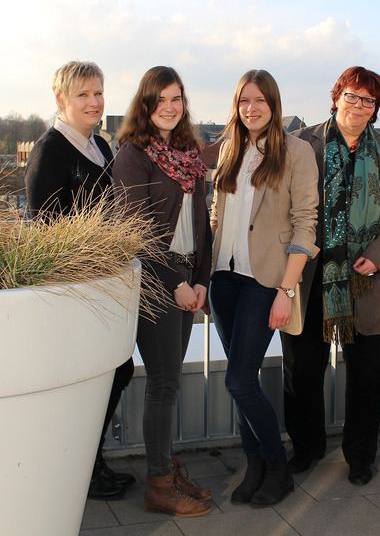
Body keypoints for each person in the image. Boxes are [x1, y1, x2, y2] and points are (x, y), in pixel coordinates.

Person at [280, 66, 380, 486]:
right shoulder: (303, 143)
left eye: (368, 100)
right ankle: (306, 448)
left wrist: (378, 257)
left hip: (369, 281)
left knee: (367, 376)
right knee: (301, 372)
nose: (358, 106)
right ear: (336, 96)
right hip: (311, 278)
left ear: (376, 108)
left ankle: (360, 455)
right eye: (352, 96)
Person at [25, 60, 135, 500]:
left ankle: (89, 462)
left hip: (105, 285)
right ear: (61, 101)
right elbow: (46, 232)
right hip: (75, 292)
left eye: (99, 93)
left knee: (116, 370)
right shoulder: (50, 151)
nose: (94, 102)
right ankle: (81, 468)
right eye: (83, 95)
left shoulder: (101, 147)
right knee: (100, 374)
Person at [209, 69, 319, 506]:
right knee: (244, 379)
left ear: (273, 104)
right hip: (224, 280)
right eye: (243, 101)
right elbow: (218, 217)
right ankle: (253, 464)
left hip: (265, 281)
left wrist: (286, 291)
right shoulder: (229, 149)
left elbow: (306, 224)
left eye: (259, 100)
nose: (250, 109)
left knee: (238, 380)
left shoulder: (296, 151)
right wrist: (206, 277)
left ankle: (276, 465)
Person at [113, 66, 212, 517]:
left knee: (168, 381)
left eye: (177, 99)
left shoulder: (189, 153)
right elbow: (138, 232)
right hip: (158, 283)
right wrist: (176, 284)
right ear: (146, 105)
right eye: (161, 100)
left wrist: (202, 281)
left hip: (189, 279)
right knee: (163, 382)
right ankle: (159, 484)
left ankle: (165, 468)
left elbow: (203, 225)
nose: (171, 108)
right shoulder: (133, 156)